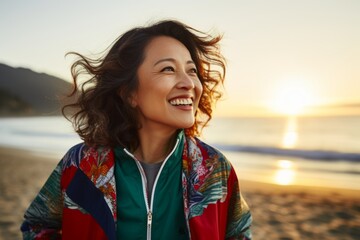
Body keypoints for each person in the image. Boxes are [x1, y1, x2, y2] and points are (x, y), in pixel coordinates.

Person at [21, 20, 252, 240]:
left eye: (192, 71)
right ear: (129, 92)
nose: (189, 83)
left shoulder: (215, 169)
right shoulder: (80, 165)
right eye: (168, 69)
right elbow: (37, 225)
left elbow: (239, 233)